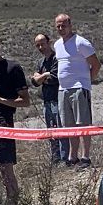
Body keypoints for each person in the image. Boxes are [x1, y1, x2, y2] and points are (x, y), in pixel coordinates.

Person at [54, 13, 100, 168]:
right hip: (63, 89)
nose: (61, 28)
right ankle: (72, 157)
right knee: (69, 125)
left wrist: (87, 82)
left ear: (70, 25)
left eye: (64, 25)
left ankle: (85, 156)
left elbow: (96, 64)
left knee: (83, 123)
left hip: (79, 87)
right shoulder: (57, 45)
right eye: (58, 26)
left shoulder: (81, 42)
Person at [0, 30, 28, 205]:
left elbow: (25, 101)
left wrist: (0, 100)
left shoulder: (12, 68)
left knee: (6, 169)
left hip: (3, 124)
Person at [31, 32, 69, 164]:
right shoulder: (40, 62)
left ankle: (65, 158)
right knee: (51, 131)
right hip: (46, 101)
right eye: (38, 45)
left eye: (42, 43)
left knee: (61, 129)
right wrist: (44, 75)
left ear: (49, 42)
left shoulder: (56, 59)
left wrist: (44, 76)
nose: (41, 47)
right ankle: (56, 158)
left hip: (58, 99)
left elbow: (54, 78)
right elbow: (34, 82)